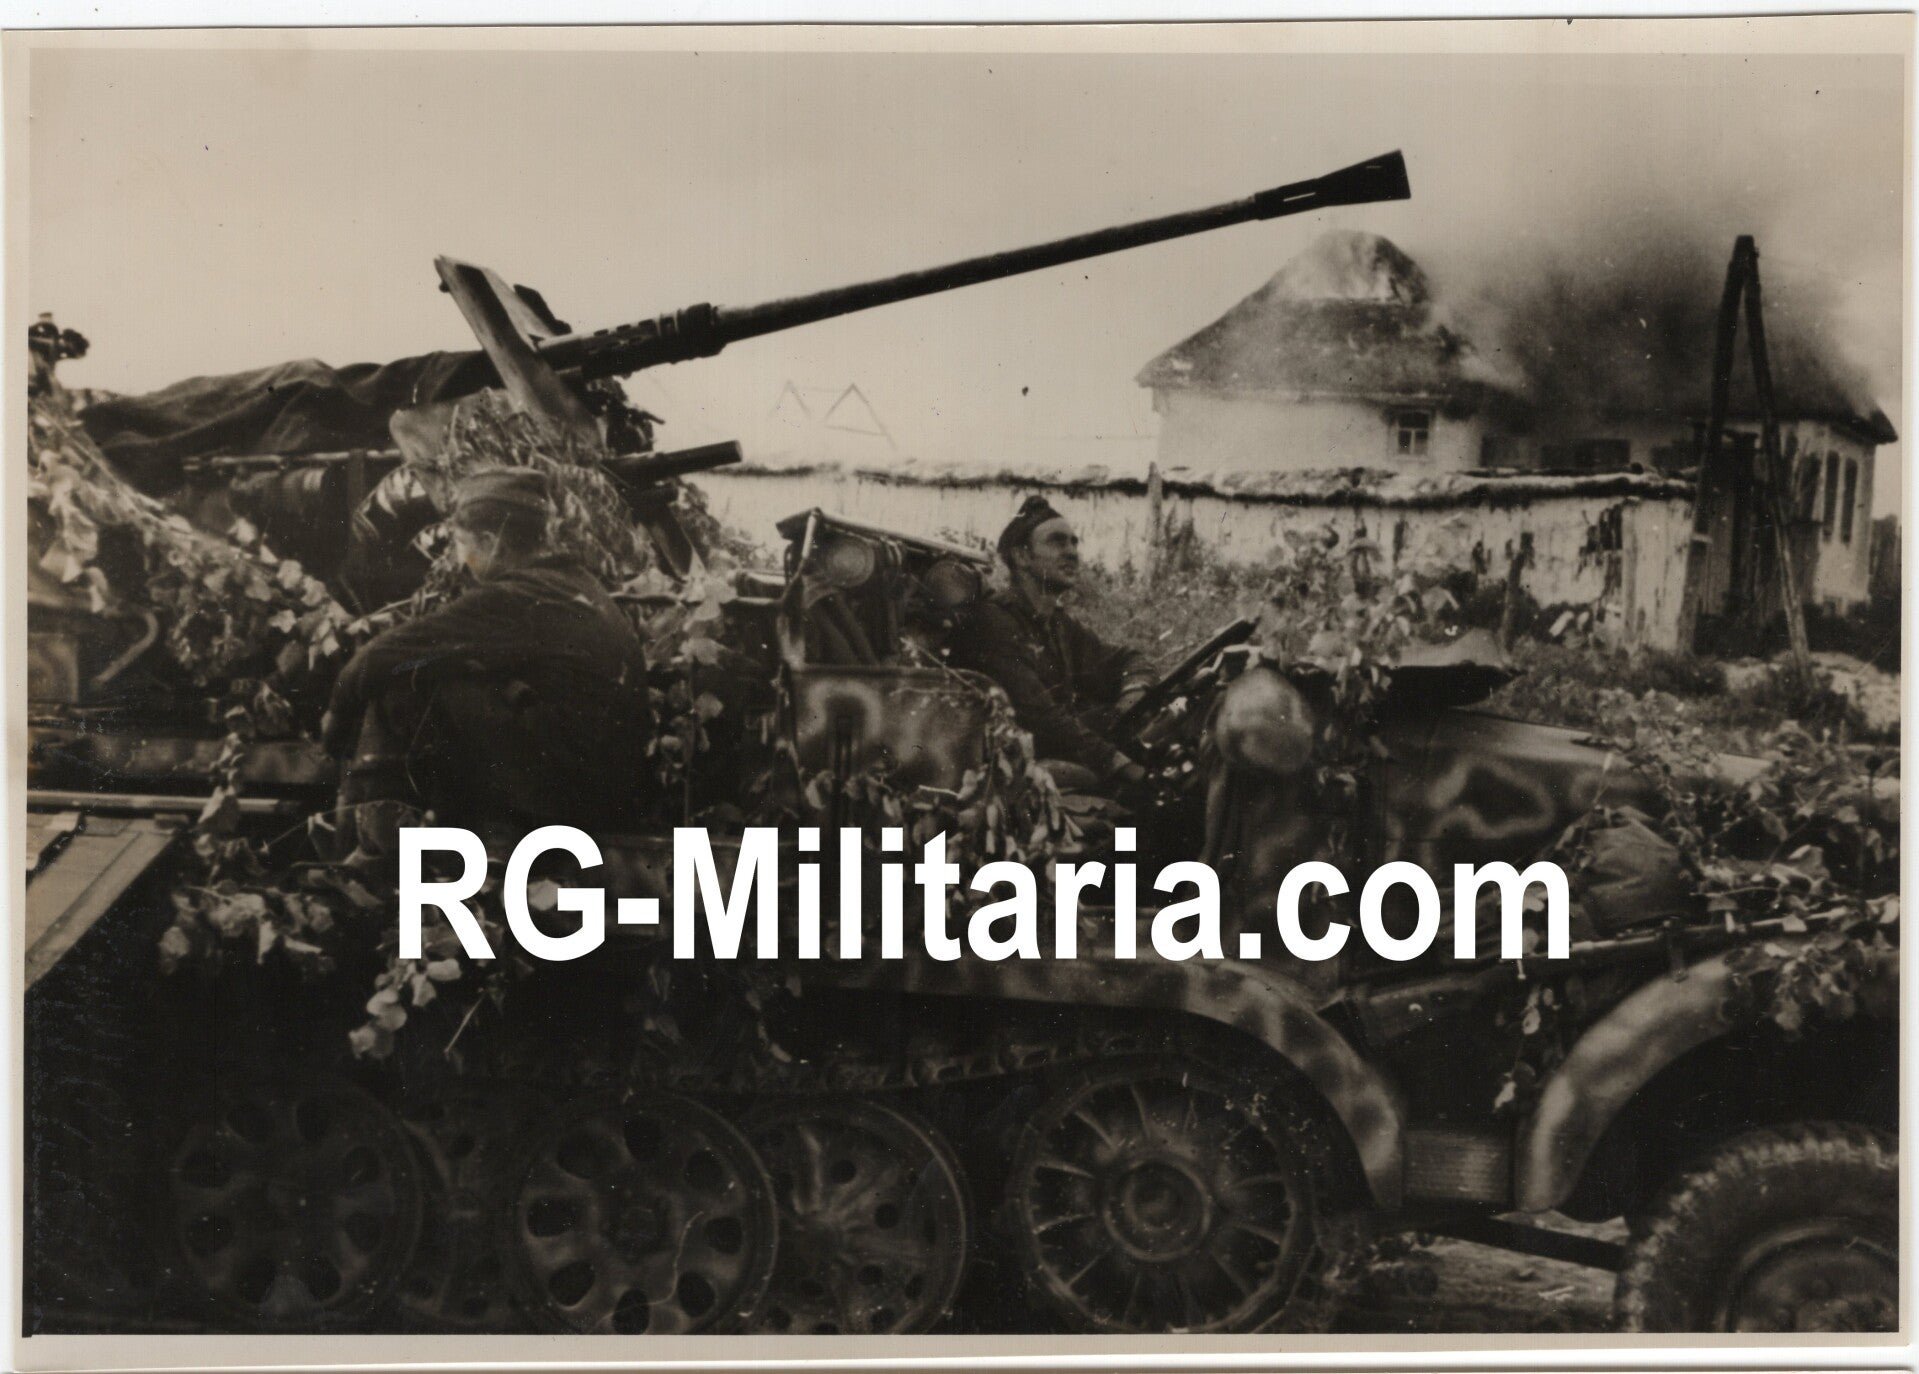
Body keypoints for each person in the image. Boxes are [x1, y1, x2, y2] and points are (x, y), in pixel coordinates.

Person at [321, 467, 653, 855]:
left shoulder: (513, 596)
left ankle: (377, 855)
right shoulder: (575, 584)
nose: (461, 560)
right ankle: (462, 834)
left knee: (406, 683)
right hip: (609, 788)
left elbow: (379, 656)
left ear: (491, 542)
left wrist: (336, 723)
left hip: (572, 797)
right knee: (455, 681)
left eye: (462, 543)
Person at [954, 495, 1156, 791]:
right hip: (1001, 770)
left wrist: (1134, 693)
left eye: (1074, 543)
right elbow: (1040, 719)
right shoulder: (995, 622)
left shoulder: (1058, 623)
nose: (1072, 552)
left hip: (1054, 751)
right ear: (1022, 556)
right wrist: (1118, 763)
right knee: (1132, 797)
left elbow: (1126, 659)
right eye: (1058, 542)